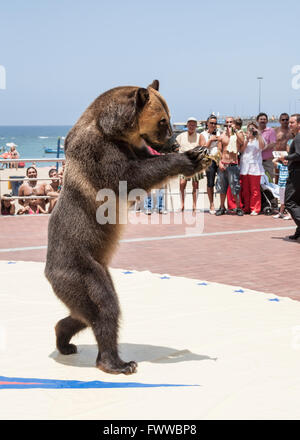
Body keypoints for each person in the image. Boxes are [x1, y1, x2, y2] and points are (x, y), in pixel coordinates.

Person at [215, 116, 244, 216]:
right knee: (221, 188)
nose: (229, 124)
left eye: (231, 122)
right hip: (223, 164)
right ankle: (222, 207)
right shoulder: (222, 136)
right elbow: (218, 151)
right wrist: (219, 162)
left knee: (235, 188)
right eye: (227, 122)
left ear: (234, 123)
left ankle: (238, 207)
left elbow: (242, 142)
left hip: (233, 164)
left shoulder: (237, 135)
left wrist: (235, 130)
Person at [176, 117, 203, 212]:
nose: (191, 126)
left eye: (193, 125)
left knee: (195, 185)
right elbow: (175, 147)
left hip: (195, 163)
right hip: (183, 163)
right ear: (187, 125)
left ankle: (195, 206)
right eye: (190, 124)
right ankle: (182, 205)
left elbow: (202, 149)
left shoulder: (200, 136)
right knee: (182, 184)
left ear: (196, 126)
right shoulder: (180, 136)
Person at [240, 122, 265, 215]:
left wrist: (258, 134)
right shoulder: (244, 138)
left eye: (253, 128)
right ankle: (246, 207)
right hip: (244, 166)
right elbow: (241, 150)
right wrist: (246, 139)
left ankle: (255, 208)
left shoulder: (259, 139)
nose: (251, 130)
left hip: (255, 167)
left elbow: (262, 146)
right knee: (245, 189)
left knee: (255, 189)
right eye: (249, 128)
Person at [282, 114, 300, 240]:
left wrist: (286, 157)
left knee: (289, 202)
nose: (289, 125)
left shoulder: (298, 138)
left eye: (292, 122)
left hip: (296, 174)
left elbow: (298, 155)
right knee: (298, 202)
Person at [199, 115, 222, 214]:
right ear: (207, 124)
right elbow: (202, 149)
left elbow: (222, 145)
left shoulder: (219, 133)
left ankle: (222, 205)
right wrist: (211, 140)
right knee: (210, 182)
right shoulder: (202, 134)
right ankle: (211, 204)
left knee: (222, 182)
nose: (213, 125)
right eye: (211, 123)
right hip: (209, 160)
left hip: (219, 159)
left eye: (215, 123)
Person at [256, 113, 276, 181]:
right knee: (257, 182)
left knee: (269, 181)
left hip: (268, 162)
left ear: (267, 121)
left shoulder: (271, 131)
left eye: (264, 119)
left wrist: (262, 148)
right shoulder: (254, 131)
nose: (262, 121)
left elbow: (273, 143)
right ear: (257, 120)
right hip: (256, 162)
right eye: (261, 119)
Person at [274, 113, 292, 184]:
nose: (285, 121)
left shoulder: (292, 131)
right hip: (277, 156)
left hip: (289, 157)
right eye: (283, 119)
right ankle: (276, 192)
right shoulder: (275, 130)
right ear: (279, 121)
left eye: (287, 119)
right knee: (276, 175)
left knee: (287, 176)